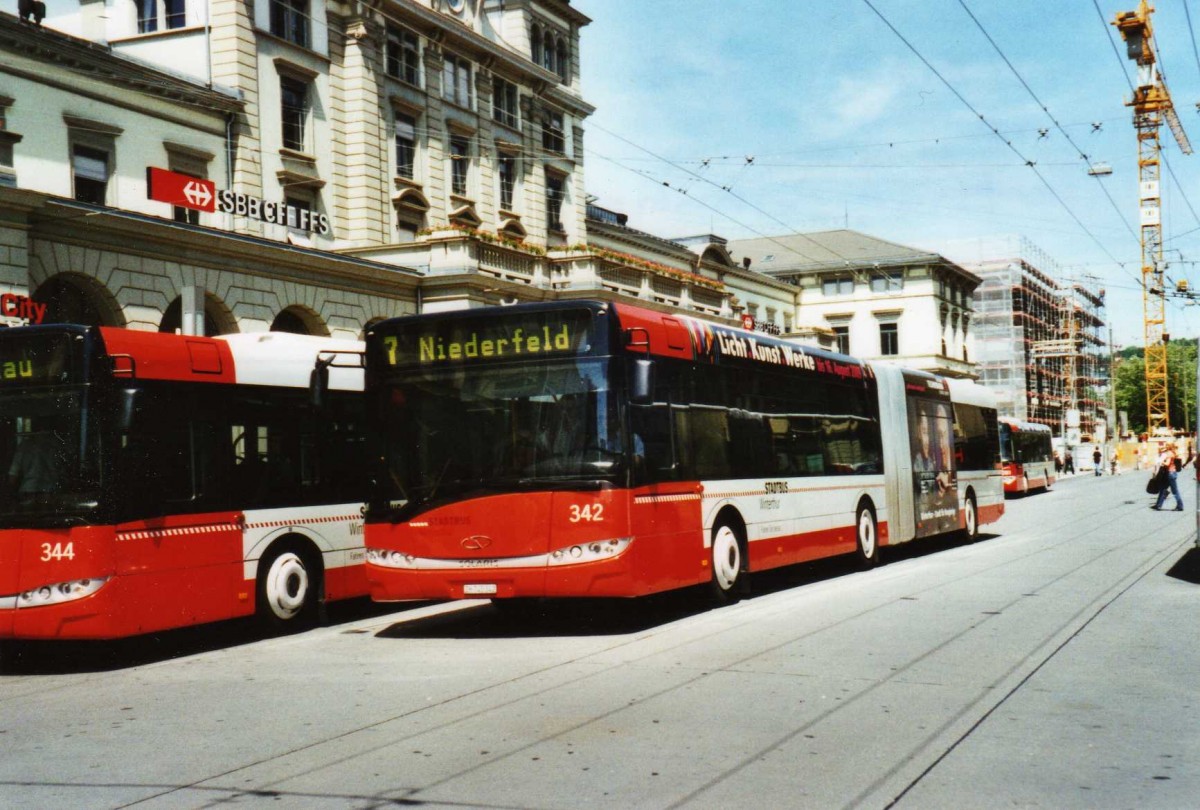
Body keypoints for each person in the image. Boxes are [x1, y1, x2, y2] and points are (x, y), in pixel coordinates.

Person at [1152, 443, 1184, 511]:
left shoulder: (1169, 453)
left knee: (1175, 491)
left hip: (1170, 473)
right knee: (1163, 489)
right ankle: (1158, 505)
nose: (1165, 446)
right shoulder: (1174, 452)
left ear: (1169, 446)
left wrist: (1161, 461)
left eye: (1167, 445)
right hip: (1172, 473)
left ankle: (1180, 505)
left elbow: (1167, 463)